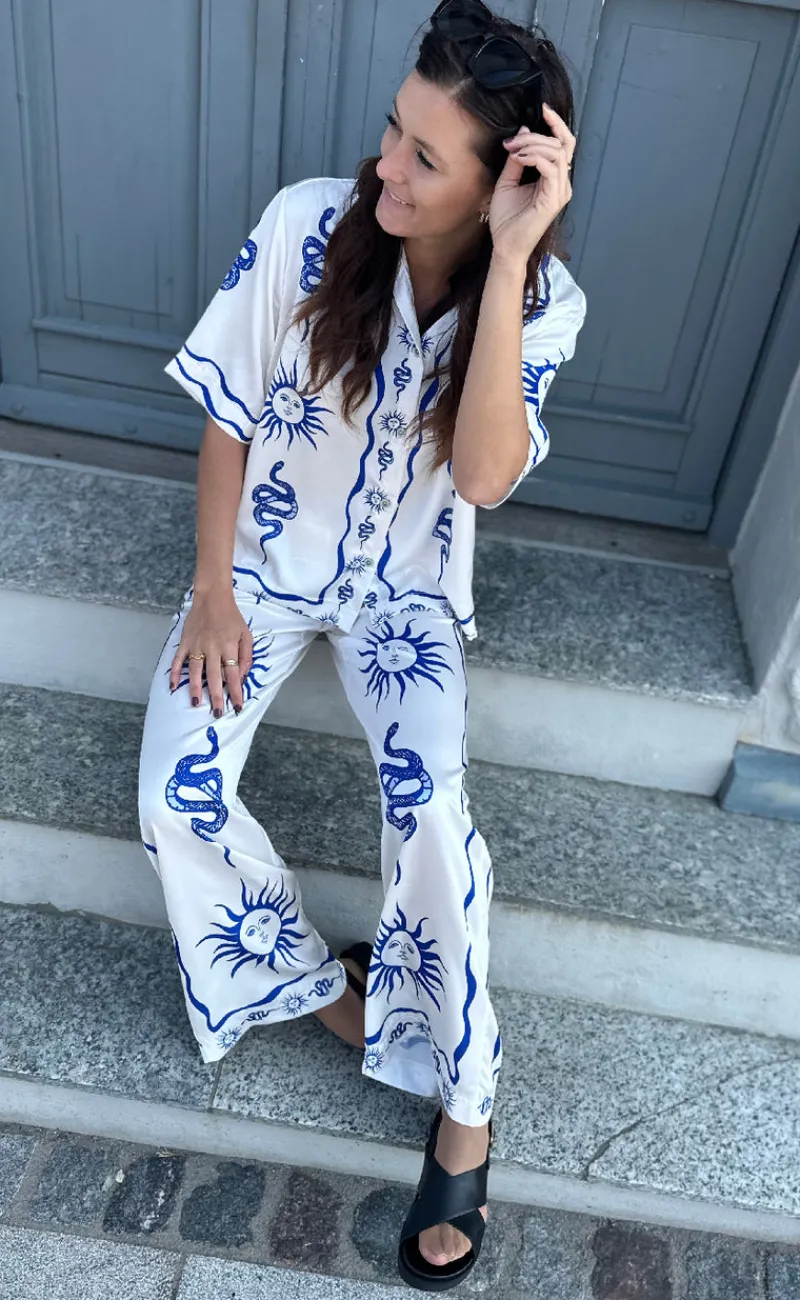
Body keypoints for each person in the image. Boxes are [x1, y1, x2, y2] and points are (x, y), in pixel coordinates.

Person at [138, 0, 586, 1289]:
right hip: (263, 572)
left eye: (425, 157)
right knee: (174, 791)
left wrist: (509, 264)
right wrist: (213, 591)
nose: (387, 165)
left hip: (406, 597)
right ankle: (336, 995)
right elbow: (227, 415)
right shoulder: (307, 224)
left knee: (431, 807)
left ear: (500, 183)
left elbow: (485, 476)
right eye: (394, 128)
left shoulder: (546, 303)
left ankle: (467, 1103)